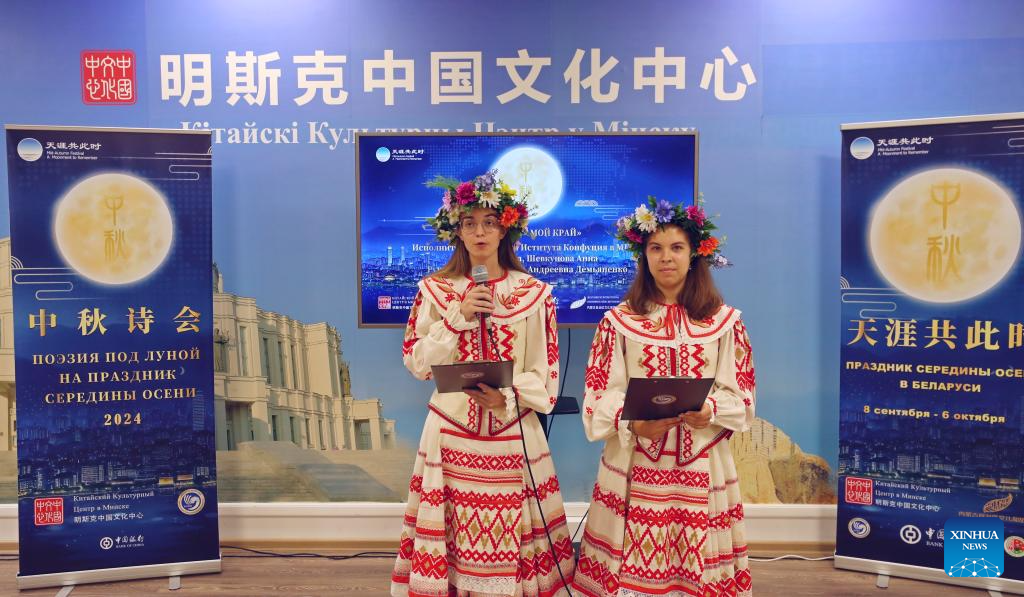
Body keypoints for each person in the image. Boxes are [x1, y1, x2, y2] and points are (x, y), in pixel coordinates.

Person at [391, 171, 575, 597]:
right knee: (452, 538)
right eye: (469, 223)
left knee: (516, 535)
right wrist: (457, 318)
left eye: (489, 222)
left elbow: (546, 376)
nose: (479, 232)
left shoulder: (534, 294)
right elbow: (417, 363)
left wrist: (508, 395)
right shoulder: (435, 291)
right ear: (456, 230)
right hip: (450, 434)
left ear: (505, 228)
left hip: (512, 431)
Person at [571, 196, 755, 597]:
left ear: (694, 255)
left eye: (676, 248)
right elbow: (599, 394)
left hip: (701, 462)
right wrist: (634, 423)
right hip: (635, 460)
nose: (666, 258)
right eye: (655, 248)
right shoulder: (617, 322)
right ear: (644, 256)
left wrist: (710, 409)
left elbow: (742, 397)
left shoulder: (725, 323)